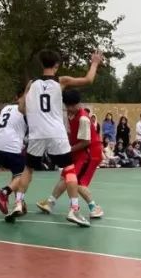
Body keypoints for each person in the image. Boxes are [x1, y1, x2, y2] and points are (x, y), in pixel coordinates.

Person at [20, 49, 103, 227]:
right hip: (56, 133)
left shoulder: (32, 84)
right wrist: (95, 62)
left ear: (41, 64)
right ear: (57, 65)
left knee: (29, 169)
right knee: (69, 171)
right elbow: (88, 80)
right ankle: (75, 209)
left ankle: (19, 202)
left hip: (37, 133)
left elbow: (21, 108)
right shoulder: (61, 81)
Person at [36, 91, 105, 219]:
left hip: (90, 154)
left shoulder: (83, 119)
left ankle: (94, 208)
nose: (68, 109)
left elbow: (86, 142)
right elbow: (70, 133)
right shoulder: (70, 114)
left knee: (77, 183)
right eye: (67, 106)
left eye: (71, 106)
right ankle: (50, 203)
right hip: (78, 151)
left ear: (78, 104)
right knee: (66, 177)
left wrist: (68, 149)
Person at [0, 86, 29, 221]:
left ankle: (19, 203)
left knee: (16, 174)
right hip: (10, 146)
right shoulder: (26, 110)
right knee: (24, 174)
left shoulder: (7, 108)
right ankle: (4, 192)